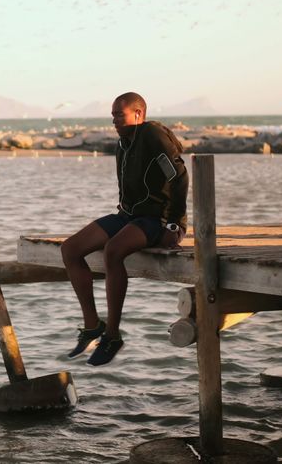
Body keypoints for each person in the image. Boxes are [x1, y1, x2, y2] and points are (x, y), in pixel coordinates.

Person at [60, 92, 189, 366]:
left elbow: (179, 178)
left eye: (120, 114)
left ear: (138, 114)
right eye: (113, 115)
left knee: (113, 250)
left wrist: (174, 224)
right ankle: (92, 325)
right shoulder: (123, 143)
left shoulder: (153, 135)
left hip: (157, 219)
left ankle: (112, 335)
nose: (114, 120)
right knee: (70, 249)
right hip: (129, 216)